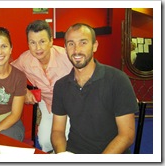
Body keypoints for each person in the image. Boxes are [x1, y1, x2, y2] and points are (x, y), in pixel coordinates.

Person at [51, 23, 138, 154]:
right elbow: (57, 131)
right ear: (65, 48)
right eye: (71, 44)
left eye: (83, 43)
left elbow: (127, 135)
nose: (76, 50)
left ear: (95, 46)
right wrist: (62, 156)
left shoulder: (118, 79)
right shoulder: (61, 86)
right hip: (74, 153)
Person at [11, 20, 73, 152]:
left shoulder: (66, 56)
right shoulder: (25, 59)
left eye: (42, 41)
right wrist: (24, 90)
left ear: (51, 41)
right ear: (28, 43)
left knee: (68, 138)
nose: (38, 48)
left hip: (72, 104)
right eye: (33, 42)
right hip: (48, 103)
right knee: (45, 141)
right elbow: (10, 73)